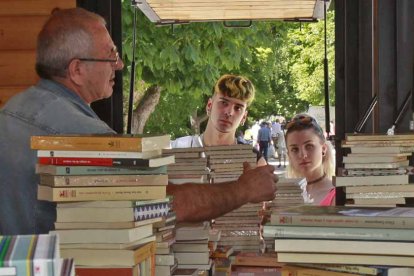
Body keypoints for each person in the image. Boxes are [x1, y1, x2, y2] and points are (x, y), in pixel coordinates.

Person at [0, 10, 277, 234]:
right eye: (111, 55)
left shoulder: (13, 109)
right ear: (77, 70)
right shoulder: (81, 135)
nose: (119, 65)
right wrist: (243, 189)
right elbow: (159, 205)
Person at [170, 74, 277, 222]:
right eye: (223, 103)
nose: (229, 112)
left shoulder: (253, 160)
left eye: (238, 107)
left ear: (244, 118)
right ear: (209, 106)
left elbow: (263, 214)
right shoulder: (176, 149)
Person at [284, 114, 335, 206]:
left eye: (309, 146)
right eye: (295, 149)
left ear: (323, 149)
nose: (302, 155)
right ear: (289, 155)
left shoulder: (337, 196)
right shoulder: (283, 196)